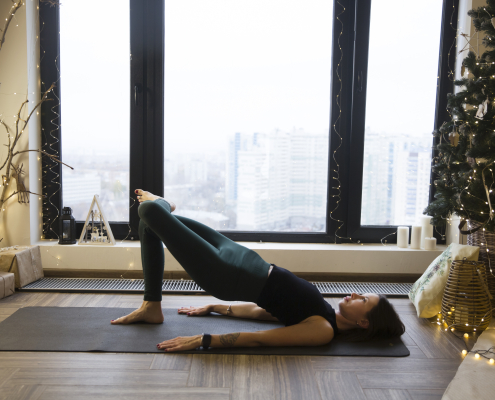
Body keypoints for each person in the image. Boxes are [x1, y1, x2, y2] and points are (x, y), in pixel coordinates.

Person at [111, 189, 405, 352]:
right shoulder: (325, 313)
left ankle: (163, 203)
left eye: (362, 300)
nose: (354, 293)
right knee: (148, 225)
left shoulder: (323, 331)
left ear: (364, 323)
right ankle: (152, 306)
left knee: (150, 212)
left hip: (226, 272)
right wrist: (215, 308)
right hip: (240, 256)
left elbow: (262, 338)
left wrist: (204, 340)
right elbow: (264, 312)